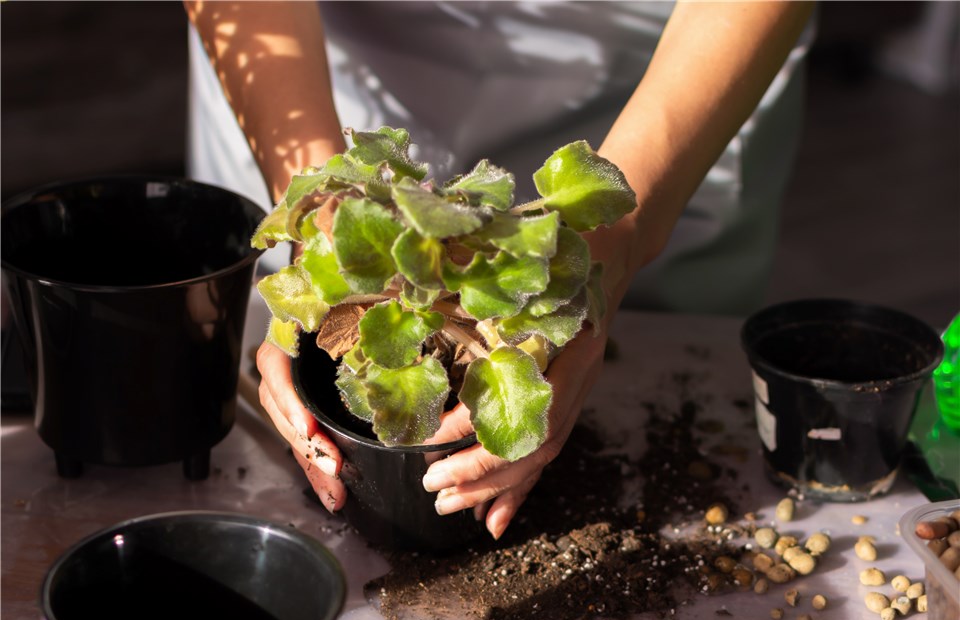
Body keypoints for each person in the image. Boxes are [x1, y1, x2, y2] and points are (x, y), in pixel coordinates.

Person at [184, 1, 816, 540]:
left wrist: (620, 233)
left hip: (675, 76)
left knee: (669, 394)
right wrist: (320, 215)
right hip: (311, 73)